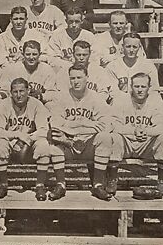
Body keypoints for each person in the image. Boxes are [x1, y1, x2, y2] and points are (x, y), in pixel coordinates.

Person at [45, 63, 115, 201]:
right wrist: (84, 126)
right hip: (68, 143)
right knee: (53, 142)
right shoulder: (61, 97)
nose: (76, 81)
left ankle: (98, 184)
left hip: (89, 143)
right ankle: (60, 184)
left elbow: (107, 124)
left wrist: (73, 127)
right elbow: (55, 123)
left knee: (105, 138)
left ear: (87, 78)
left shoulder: (96, 98)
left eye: (79, 77)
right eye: (72, 78)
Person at [0, 78, 51, 201]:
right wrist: (16, 136)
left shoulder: (36, 104)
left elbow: (43, 129)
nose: (19, 95)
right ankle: (3, 185)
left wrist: (26, 139)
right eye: (15, 92)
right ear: (11, 93)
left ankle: (40, 185)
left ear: (28, 91)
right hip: (10, 140)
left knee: (43, 146)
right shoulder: (3, 104)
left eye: (22, 91)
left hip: (30, 142)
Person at [109, 73, 163, 196]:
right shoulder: (121, 100)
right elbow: (112, 125)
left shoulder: (155, 100)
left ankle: (162, 181)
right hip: (126, 143)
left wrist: (146, 132)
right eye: (136, 86)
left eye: (143, 87)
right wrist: (133, 131)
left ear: (149, 87)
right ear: (130, 87)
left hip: (146, 144)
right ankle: (112, 180)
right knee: (113, 138)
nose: (139, 90)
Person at [51, 41, 117, 104]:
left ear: (90, 54)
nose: (81, 58)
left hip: (93, 105)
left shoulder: (99, 71)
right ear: (73, 54)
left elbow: (103, 94)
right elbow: (61, 94)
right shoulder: (64, 71)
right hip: (70, 106)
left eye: (85, 55)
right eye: (78, 55)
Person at [46, 7, 96, 72]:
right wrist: (72, 65)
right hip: (63, 71)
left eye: (77, 21)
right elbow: (52, 59)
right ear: (66, 21)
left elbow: (95, 58)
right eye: (71, 22)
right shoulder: (57, 36)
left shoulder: (89, 36)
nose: (74, 25)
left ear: (82, 21)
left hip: (85, 71)